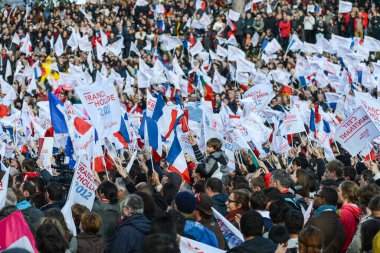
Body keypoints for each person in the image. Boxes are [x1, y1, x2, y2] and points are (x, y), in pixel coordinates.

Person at [305, 187, 345, 253]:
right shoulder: (340, 224)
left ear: (322, 200)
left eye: (316, 196)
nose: (314, 198)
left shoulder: (314, 221)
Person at [92, 181, 121, 250]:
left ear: (102, 194)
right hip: (111, 242)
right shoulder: (117, 205)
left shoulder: (96, 206)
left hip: (97, 243)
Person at [338, 181, 363, 252]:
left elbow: (340, 237)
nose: (337, 193)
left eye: (339, 190)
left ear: (345, 195)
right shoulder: (358, 211)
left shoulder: (344, 213)